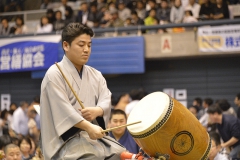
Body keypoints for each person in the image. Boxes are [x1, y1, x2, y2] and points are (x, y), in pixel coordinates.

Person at [40, 23, 126, 159]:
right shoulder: (54, 74)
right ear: (66, 46)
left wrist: (98, 111)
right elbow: (63, 112)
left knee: (121, 154)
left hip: (94, 137)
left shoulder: (95, 74)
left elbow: (106, 98)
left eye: (89, 45)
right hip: (65, 142)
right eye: (81, 45)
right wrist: (88, 127)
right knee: (92, 157)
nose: (86, 49)